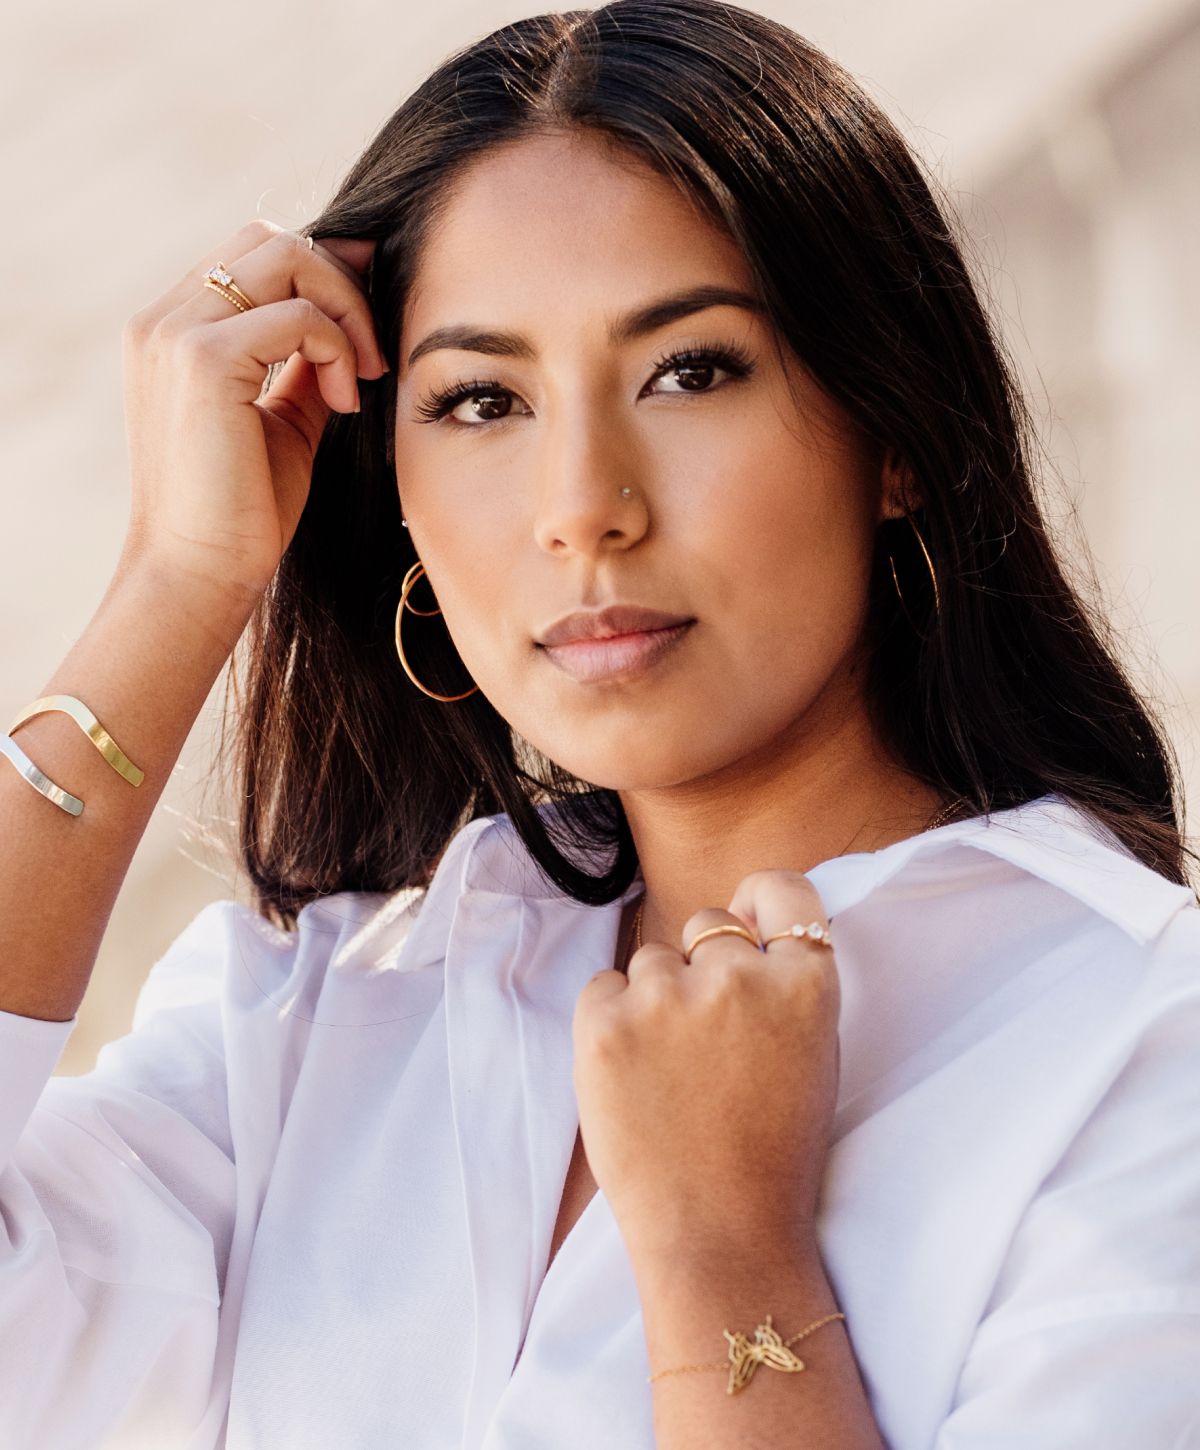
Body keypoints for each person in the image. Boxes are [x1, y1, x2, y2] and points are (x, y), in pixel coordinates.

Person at [1, 1, 1196, 1446]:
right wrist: (177, 582)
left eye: (690, 370)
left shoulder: (1134, 1040)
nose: (583, 504)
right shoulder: (323, 1008)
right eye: (482, 398)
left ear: (897, 437)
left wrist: (724, 1255)